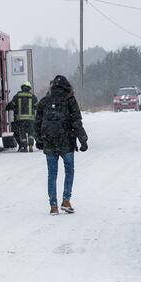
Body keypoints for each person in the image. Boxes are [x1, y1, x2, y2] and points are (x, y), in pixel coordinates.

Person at [34, 75, 88, 215]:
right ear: (67, 86)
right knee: (69, 171)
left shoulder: (45, 101)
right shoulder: (70, 100)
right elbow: (76, 121)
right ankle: (66, 200)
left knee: (52, 174)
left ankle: (53, 206)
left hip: (49, 142)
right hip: (66, 142)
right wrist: (83, 140)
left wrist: (39, 140)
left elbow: (37, 122)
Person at [6, 81, 38, 152]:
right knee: (31, 133)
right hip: (30, 119)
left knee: (22, 133)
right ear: (29, 88)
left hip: (21, 119)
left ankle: (24, 147)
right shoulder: (33, 96)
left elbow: (12, 104)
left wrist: (7, 107)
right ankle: (30, 145)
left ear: (22, 87)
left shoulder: (17, 95)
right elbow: (37, 106)